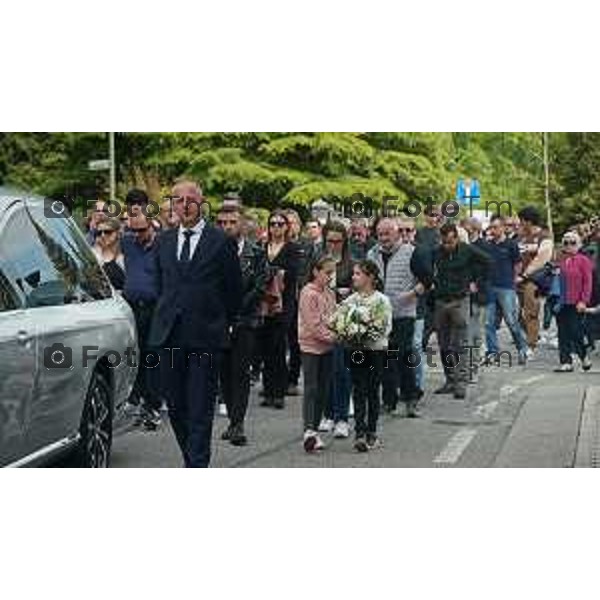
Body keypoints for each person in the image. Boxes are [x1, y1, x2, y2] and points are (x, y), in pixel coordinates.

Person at [148, 180, 242, 468]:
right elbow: (160, 285)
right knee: (176, 406)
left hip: (205, 337)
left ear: (201, 204)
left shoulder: (220, 241)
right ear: (173, 205)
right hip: (170, 337)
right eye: (178, 199)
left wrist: (218, 321)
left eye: (191, 199)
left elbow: (233, 291)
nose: (185, 204)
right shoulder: (163, 241)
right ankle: (192, 459)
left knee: (200, 408)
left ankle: (196, 466)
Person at [216, 204, 268, 446]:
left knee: (240, 372)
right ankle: (232, 419)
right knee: (224, 373)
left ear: (242, 224)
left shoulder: (255, 252)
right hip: (219, 320)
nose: (227, 227)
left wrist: (238, 307)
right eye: (223, 222)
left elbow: (260, 285)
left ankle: (238, 423)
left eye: (232, 222)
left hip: (245, 320)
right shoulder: (213, 251)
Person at [367, 218, 421, 417]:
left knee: (402, 355)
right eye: (380, 234)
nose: (383, 238)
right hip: (381, 314)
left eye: (387, 234)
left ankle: (410, 397)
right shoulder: (372, 254)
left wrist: (412, 294)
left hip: (404, 314)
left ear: (397, 233)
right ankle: (389, 400)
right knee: (386, 357)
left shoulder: (412, 252)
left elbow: (427, 279)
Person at [432, 223, 491, 399]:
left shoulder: (467, 250)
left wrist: (476, 281)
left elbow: (488, 262)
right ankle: (450, 380)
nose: (447, 245)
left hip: (460, 300)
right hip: (441, 300)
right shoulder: (437, 252)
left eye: (450, 241)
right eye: (444, 242)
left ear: (456, 237)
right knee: (444, 344)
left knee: (461, 343)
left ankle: (461, 382)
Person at [341, 260, 393, 452]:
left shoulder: (381, 300)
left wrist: (366, 332)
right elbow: (341, 320)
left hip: (376, 351)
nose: (353, 277)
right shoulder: (351, 300)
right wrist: (347, 331)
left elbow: (385, 327)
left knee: (373, 390)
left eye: (358, 274)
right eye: (353, 274)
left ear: (370, 277)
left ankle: (372, 432)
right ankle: (360, 433)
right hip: (356, 350)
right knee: (359, 389)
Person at [121, 211, 162, 430]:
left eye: (142, 230)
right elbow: (99, 233)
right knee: (136, 357)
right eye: (133, 230)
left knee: (152, 357)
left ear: (153, 227)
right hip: (133, 308)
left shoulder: (162, 246)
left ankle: (153, 405)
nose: (137, 235)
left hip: (155, 308)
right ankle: (138, 401)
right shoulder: (128, 242)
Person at [257, 210, 300, 409]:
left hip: (284, 303)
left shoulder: (292, 248)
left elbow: (293, 273)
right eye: (273, 224)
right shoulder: (262, 247)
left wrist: (275, 273)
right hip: (264, 302)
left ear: (286, 227)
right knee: (265, 346)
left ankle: (279, 391)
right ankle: (268, 389)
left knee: (278, 346)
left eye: (280, 224)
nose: (276, 228)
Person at [298, 256, 337, 453]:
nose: (330, 277)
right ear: (315, 271)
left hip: (328, 348)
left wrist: (340, 330)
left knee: (323, 388)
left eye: (332, 273)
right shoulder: (308, 293)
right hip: (311, 347)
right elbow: (313, 325)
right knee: (311, 388)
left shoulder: (330, 293)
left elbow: (333, 318)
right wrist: (334, 337)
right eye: (327, 272)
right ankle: (308, 430)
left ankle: (314, 428)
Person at [320, 221, 354, 437]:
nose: (333, 245)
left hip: (344, 322)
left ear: (344, 242)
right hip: (322, 322)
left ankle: (341, 417)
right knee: (325, 371)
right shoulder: (319, 263)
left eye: (337, 241)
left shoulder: (351, 264)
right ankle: (327, 414)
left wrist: (347, 292)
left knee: (342, 370)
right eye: (329, 241)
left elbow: (361, 289)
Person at [482, 215, 528, 365]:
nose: (493, 230)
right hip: (490, 287)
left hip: (506, 287)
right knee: (489, 323)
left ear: (502, 228)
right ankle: (492, 352)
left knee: (511, 320)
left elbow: (518, 264)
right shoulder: (488, 245)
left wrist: (514, 279)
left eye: (495, 227)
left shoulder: (511, 245)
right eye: (491, 227)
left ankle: (522, 348)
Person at [516, 206, 554, 355]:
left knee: (531, 312)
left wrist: (525, 274)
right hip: (517, 280)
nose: (520, 223)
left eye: (522, 221)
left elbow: (542, 259)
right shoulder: (521, 237)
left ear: (528, 221)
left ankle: (530, 344)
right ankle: (534, 335)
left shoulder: (545, 236)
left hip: (534, 280)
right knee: (515, 313)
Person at [554, 231, 594, 372]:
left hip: (576, 302)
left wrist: (583, 301)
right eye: (566, 242)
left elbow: (588, 282)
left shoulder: (583, 260)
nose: (569, 245)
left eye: (573, 242)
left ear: (579, 244)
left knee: (575, 331)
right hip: (561, 301)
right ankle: (566, 362)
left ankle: (583, 356)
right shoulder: (561, 260)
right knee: (562, 332)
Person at [92, 217, 126, 290]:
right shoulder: (94, 255)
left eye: (107, 232)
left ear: (118, 233)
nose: (103, 235)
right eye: (99, 233)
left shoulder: (126, 256)